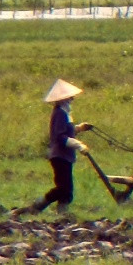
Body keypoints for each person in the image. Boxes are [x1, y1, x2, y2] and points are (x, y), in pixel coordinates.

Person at [17, 79, 93, 215]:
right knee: (63, 188)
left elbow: (67, 131)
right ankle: (37, 206)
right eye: (70, 97)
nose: (72, 99)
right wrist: (79, 145)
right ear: (63, 99)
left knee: (67, 189)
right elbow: (60, 136)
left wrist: (80, 128)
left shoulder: (65, 113)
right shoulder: (59, 114)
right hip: (59, 156)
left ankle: (62, 213)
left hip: (66, 156)